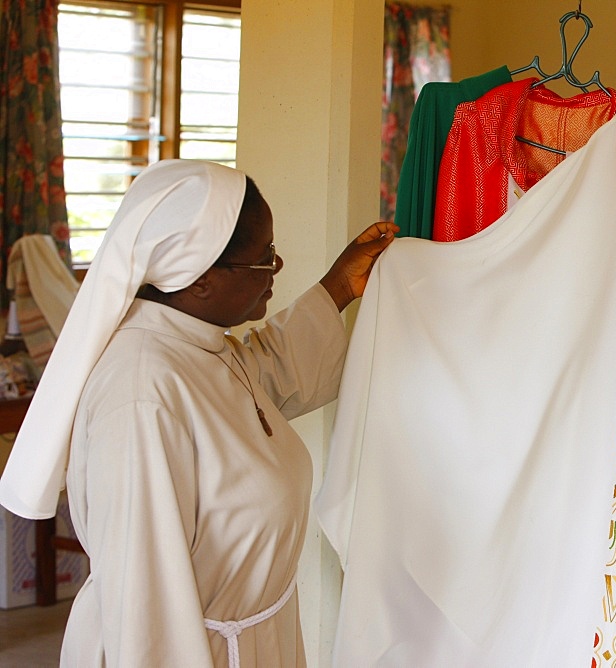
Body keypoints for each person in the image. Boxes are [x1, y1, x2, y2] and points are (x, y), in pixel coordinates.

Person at [0, 159, 397, 666]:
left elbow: (263, 373)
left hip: (250, 640)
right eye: (264, 257)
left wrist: (339, 286)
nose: (276, 268)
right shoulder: (142, 395)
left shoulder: (198, 347)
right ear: (202, 277)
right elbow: (146, 610)